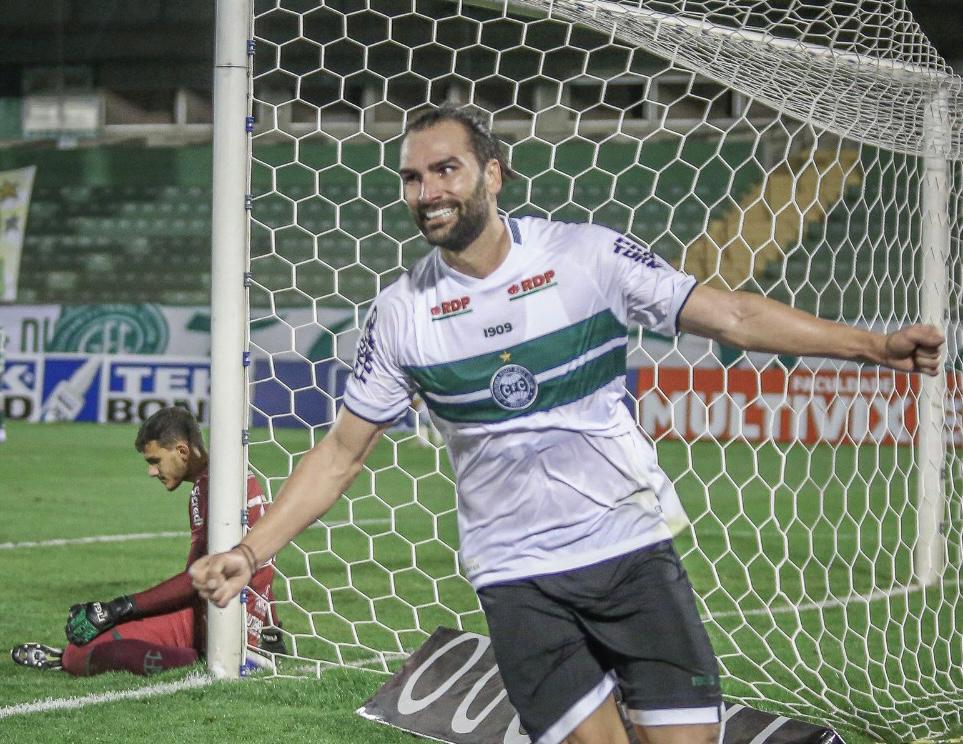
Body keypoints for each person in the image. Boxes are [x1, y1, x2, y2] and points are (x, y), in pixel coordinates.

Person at [189, 104, 944, 744]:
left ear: (492, 172)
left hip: (628, 552)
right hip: (514, 576)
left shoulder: (586, 256)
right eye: (412, 178)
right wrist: (250, 552)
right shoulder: (399, 314)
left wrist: (871, 346)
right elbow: (341, 454)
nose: (427, 192)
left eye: (445, 169)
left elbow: (735, 315)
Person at [11, 406, 284, 676]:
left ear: (182, 451)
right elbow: (260, 557)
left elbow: (195, 581)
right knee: (103, 635)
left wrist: (118, 608)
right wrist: (272, 631)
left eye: (155, 461)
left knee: (79, 654)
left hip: (219, 617)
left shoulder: (211, 489)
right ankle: (229, 654)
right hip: (245, 616)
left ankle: (199, 662)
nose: (152, 472)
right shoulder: (236, 476)